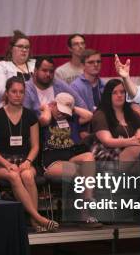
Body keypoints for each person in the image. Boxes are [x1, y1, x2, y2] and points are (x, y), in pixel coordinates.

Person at [0, 77, 58, 232]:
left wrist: (27, 161)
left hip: (25, 160)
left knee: (27, 175)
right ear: (7, 93)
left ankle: (33, 219)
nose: (17, 95)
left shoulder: (30, 115)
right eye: (14, 91)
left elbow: (35, 146)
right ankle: (38, 218)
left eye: (21, 92)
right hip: (2, 163)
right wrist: (7, 164)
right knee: (13, 176)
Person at [37, 93, 100, 227]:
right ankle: (85, 213)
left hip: (70, 157)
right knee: (80, 172)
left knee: (89, 157)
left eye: (65, 112)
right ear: (53, 104)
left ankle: (87, 201)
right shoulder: (46, 118)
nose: (62, 114)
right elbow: (44, 119)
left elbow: (89, 115)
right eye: (59, 110)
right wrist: (48, 108)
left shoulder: (71, 118)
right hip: (51, 162)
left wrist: (71, 108)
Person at [90, 79, 140, 164]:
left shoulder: (133, 114)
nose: (119, 95)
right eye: (115, 93)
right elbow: (107, 141)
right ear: (108, 95)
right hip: (107, 156)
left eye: (122, 92)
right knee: (139, 150)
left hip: (131, 155)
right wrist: (132, 141)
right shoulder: (100, 115)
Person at [0, 30, 36, 104]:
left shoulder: (35, 64)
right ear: (11, 49)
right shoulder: (1, 66)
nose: (24, 50)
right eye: (20, 46)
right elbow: (3, 94)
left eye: (27, 47)